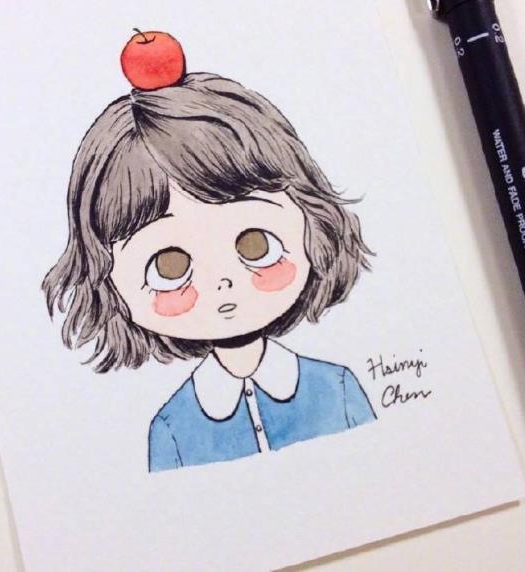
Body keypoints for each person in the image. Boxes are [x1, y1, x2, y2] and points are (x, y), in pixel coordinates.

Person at [43, 34, 376, 472]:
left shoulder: (338, 390)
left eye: (256, 244)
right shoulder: (172, 430)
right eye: (169, 267)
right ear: (107, 280)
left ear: (313, 224)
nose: (222, 282)